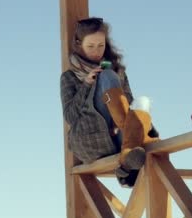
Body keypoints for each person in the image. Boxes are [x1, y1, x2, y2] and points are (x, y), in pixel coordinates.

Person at [59, 17, 159, 187]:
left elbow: (129, 103)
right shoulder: (69, 77)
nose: (96, 51)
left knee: (142, 101)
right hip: (91, 141)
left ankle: (127, 163)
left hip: (120, 137)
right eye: (90, 46)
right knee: (107, 76)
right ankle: (127, 170)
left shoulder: (117, 71)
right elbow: (70, 116)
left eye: (101, 45)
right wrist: (87, 85)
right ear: (79, 44)